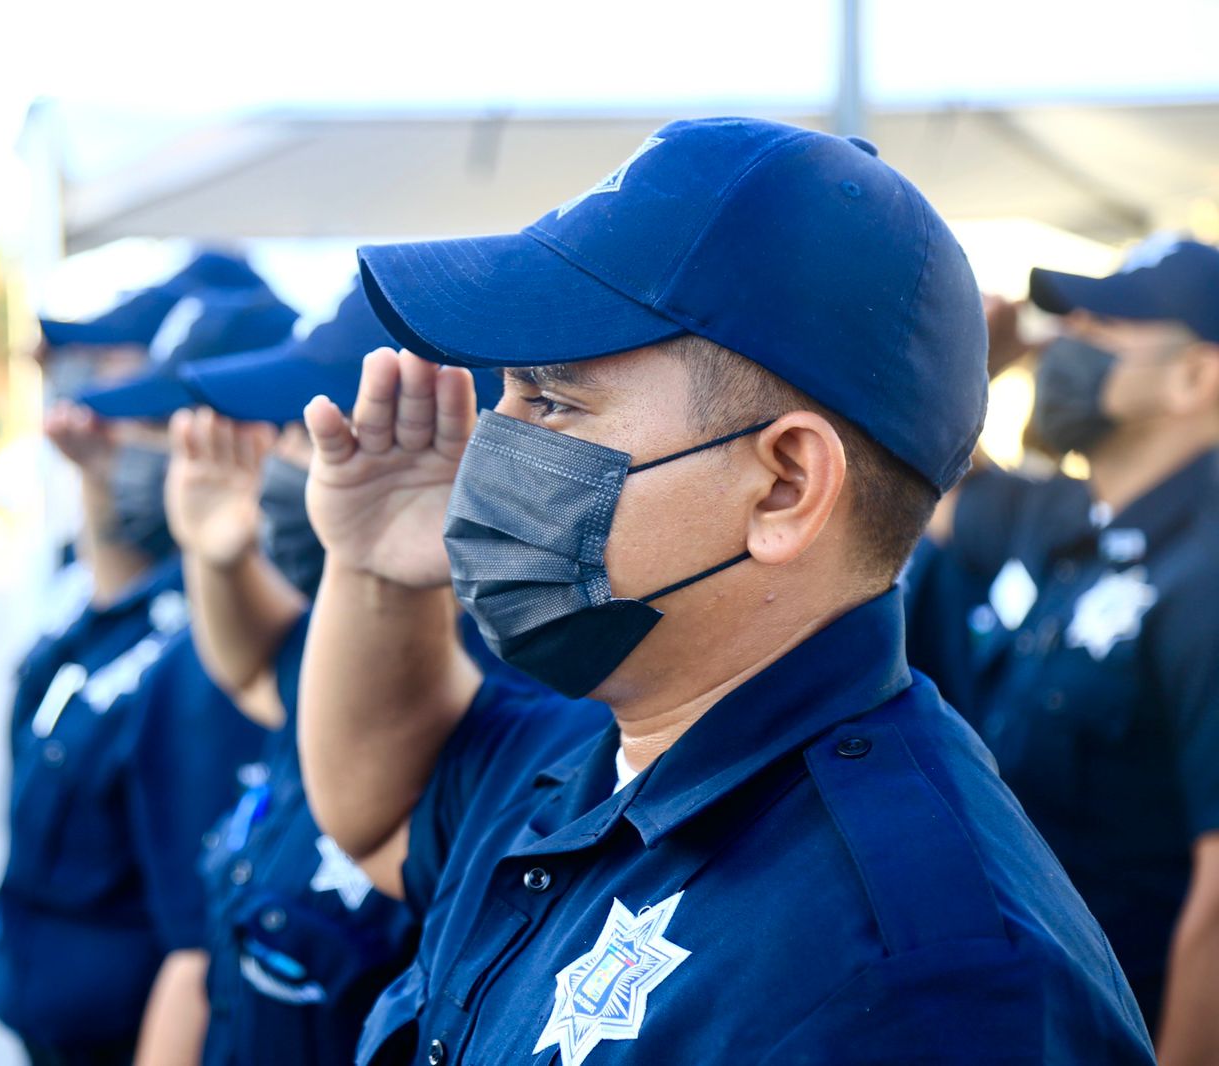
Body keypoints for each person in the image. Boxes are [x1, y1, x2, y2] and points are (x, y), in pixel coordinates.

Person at [295, 117, 1154, 1063]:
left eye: (552, 402)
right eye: (505, 397)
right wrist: (374, 568)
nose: (493, 447)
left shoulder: (922, 983)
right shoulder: (614, 748)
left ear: (784, 486)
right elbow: (384, 804)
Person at [78, 285, 509, 1065]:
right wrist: (220, 554)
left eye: (302, 434)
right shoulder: (346, 651)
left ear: (432, 451)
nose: (274, 461)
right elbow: (250, 667)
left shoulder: (507, 702)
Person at [906, 238, 1219, 1063]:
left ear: (1198, 377)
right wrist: (968, 362)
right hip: (1031, 1020)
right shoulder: (1072, 519)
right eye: (1068, 319)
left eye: (1103, 328)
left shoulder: (1211, 571)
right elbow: (929, 485)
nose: (1068, 342)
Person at [0, 268, 296, 1066]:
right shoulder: (155, 597)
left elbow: (195, 944)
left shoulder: (229, 643)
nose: (131, 448)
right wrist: (97, 485)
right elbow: (117, 602)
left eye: (161, 428)